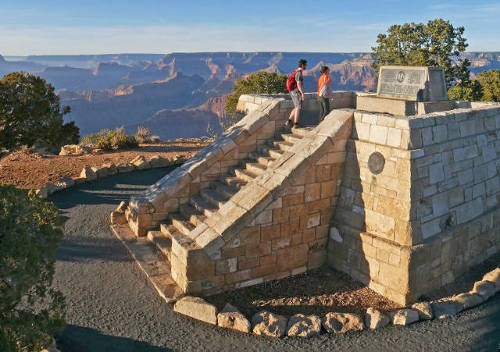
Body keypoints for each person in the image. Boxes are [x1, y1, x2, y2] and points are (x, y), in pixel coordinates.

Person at [286, 59, 307, 128]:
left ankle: (289, 121)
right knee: (298, 107)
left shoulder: (295, 71)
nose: (306, 66)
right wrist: (302, 93)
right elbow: (298, 84)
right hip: (296, 91)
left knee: (296, 106)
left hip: (291, 91)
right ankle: (296, 124)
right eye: (306, 65)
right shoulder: (299, 73)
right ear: (303, 65)